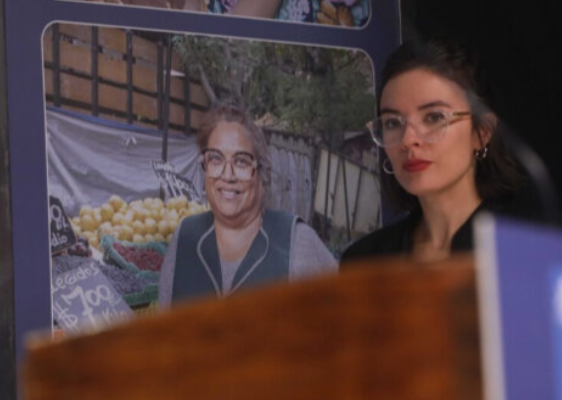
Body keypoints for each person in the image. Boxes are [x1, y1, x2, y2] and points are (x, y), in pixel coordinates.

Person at [339, 39, 525, 265]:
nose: (408, 140)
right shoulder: (364, 262)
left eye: (434, 117)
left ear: (482, 133)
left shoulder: (527, 250)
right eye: (392, 123)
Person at [158, 105, 336, 307]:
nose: (227, 176)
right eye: (216, 159)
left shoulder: (296, 244)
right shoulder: (185, 239)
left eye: (241, 162)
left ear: (262, 173)